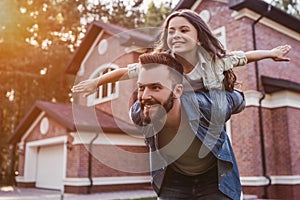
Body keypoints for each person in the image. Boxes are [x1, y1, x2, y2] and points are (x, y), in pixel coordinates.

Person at [71, 9, 291, 97]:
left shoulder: (215, 62)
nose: (176, 34)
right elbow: (124, 72)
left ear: (198, 38)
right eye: (171, 31)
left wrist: (270, 52)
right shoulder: (160, 65)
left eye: (184, 30)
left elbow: (245, 56)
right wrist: (97, 82)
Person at [130, 52, 245, 199]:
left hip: (214, 179)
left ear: (178, 90)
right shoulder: (140, 114)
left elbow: (238, 99)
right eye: (141, 87)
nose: (145, 96)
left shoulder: (207, 105)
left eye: (156, 87)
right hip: (173, 180)